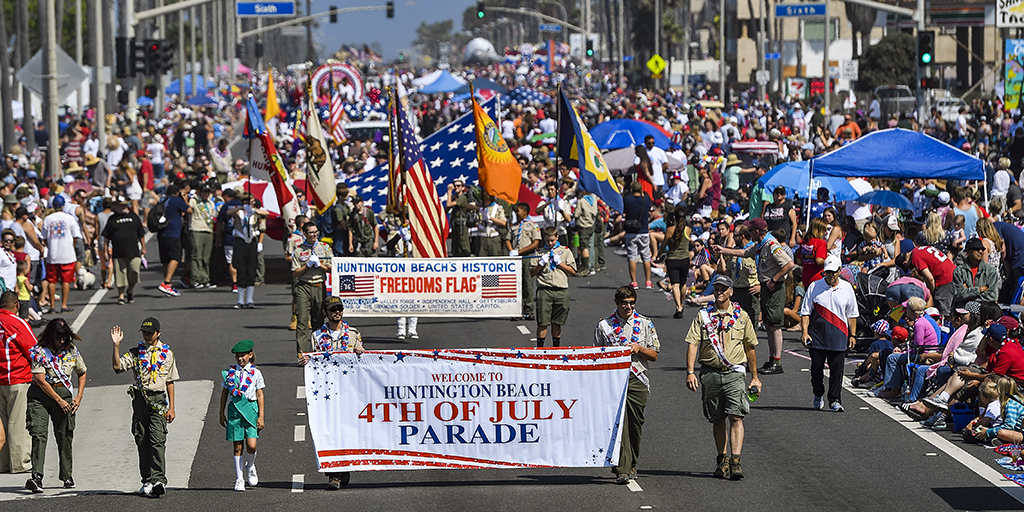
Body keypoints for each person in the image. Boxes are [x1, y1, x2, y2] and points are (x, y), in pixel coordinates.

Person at [685, 275, 761, 480]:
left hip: (734, 373)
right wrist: (690, 371)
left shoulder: (741, 316)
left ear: (731, 292)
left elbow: (750, 347)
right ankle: (722, 459)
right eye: (716, 288)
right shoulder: (703, 316)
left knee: (736, 416)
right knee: (717, 418)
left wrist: (755, 377)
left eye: (723, 289)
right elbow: (693, 343)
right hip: (710, 372)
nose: (719, 292)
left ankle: (736, 461)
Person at [593, 286, 660, 484]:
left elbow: (654, 355)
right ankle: (621, 468)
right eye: (624, 303)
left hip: (637, 379)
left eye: (632, 303)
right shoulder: (604, 326)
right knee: (618, 423)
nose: (628, 307)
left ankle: (632, 463)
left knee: (635, 423)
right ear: (617, 303)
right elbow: (596, 355)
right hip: (613, 379)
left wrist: (639, 348)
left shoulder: (645, 324)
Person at [299, 296, 365, 490]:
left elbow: (363, 362)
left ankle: (345, 467)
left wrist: (361, 351)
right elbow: (315, 360)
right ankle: (334, 474)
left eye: (339, 309)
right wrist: (307, 361)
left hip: (348, 391)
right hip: (326, 391)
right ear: (325, 313)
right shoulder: (317, 336)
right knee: (329, 431)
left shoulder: (353, 334)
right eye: (333, 309)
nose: (337, 312)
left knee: (346, 430)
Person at [714, 217, 794, 374]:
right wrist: (723, 250)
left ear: (757, 231)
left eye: (751, 231)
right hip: (766, 285)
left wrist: (774, 280)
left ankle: (777, 362)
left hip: (773, 286)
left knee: (774, 324)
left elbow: (788, 264)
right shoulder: (760, 245)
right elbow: (744, 253)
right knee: (769, 324)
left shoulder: (771, 244)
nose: (749, 233)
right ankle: (772, 359)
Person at [110, 317, 179, 497]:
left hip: (158, 399)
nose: (147, 336)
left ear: (158, 333)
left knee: (157, 439)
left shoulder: (167, 354)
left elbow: (170, 381)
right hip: (141, 399)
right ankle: (147, 480)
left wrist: (172, 407)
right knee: (142, 439)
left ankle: (159, 480)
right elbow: (117, 367)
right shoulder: (135, 353)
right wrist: (116, 346)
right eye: (144, 332)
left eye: (150, 333)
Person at [24, 318, 86, 492]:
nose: (61, 341)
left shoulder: (71, 350)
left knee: (64, 435)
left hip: (64, 393)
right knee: (38, 434)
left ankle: (67, 475)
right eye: (58, 338)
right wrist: (58, 401)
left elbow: (82, 371)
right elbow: (40, 380)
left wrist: (79, 396)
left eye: (64, 338)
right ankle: (36, 477)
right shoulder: (40, 351)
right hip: (41, 397)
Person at [800, 256, 858, 412]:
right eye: (828, 272)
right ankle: (818, 393)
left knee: (837, 372)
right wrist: (805, 332)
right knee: (816, 369)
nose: (830, 275)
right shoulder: (814, 286)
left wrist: (852, 335)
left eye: (833, 272)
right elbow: (805, 312)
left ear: (840, 271)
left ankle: (835, 400)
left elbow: (852, 314)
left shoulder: (847, 288)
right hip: (817, 336)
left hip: (839, 336)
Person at [219, 339, 265, 492]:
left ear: (250, 355)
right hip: (234, 411)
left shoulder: (256, 373)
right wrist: (221, 413)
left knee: (252, 445)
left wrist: (261, 416)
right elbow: (224, 393)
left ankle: (250, 465)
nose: (240, 358)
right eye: (237, 356)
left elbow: (259, 394)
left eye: (243, 355)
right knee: (237, 446)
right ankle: (239, 479)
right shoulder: (230, 373)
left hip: (251, 409)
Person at [0, 291, 36, 474]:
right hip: (16, 377)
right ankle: (20, 463)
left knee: (2, 422)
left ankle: (3, 463)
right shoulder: (16, 323)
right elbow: (33, 350)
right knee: (18, 421)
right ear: (16, 305)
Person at [292, 222, 333, 358]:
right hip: (304, 286)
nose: (314, 235)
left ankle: (318, 353)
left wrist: (320, 265)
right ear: (304, 234)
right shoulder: (299, 250)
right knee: (302, 321)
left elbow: (332, 268)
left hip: (319, 286)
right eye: (311, 232)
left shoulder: (324, 247)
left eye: (316, 232)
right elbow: (295, 272)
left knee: (318, 320)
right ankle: (302, 354)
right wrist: (308, 265)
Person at [531, 227, 576, 347]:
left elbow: (572, 271)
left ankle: (556, 348)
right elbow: (532, 273)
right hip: (544, 290)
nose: (550, 243)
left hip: (561, 290)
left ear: (557, 237)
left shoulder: (565, 251)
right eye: (547, 241)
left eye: (552, 240)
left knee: (557, 322)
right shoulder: (539, 252)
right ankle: (540, 349)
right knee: (543, 322)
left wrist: (560, 263)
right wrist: (540, 264)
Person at [41, 196, 83, 314]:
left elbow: (44, 238)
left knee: (52, 280)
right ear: (63, 205)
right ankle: (64, 305)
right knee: (66, 280)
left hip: (53, 254)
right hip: (67, 254)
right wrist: (70, 246)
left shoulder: (48, 219)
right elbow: (75, 236)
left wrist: (50, 246)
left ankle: (52, 306)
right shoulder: (69, 218)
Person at [102, 198, 146, 305]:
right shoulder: (112, 219)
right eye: (121, 205)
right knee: (120, 275)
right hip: (118, 252)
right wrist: (105, 251)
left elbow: (141, 233)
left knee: (134, 273)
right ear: (116, 206)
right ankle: (121, 295)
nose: (124, 207)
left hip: (133, 251)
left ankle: (130, 290)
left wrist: (143, 247)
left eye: (125, 205)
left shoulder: (133, 217)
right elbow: (106, 237)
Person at [896, 246, 956, 317]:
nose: (911, 268)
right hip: (954, 273)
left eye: (908, 268)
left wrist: (931, 294)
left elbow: (929, 279)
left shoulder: (915, 258)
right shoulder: (920, 249)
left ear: (905, 263)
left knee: (944, 314)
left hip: (944, 280)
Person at [508, 202, 541, 320]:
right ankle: (518, 310)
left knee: (527, 282)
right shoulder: (514, 225)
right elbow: (508, 239)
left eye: (518, 211)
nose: (516, 213)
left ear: (525, 212)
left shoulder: (532, 225)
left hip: (528, 257)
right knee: (516, 283)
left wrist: (520, 251)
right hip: (516, 258)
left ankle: (528, 309)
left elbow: (535, 243)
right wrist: (511, 251)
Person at [157, 184, 192, 297]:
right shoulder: (176, 200)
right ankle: (167, 282)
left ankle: (168, 286)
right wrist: (185, 199)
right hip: (172, 233)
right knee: (175, 258)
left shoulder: (163, 200)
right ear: (177, 193)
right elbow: (189, 210)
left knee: (166, 260)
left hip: (161, 232)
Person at [952, 237, 1000, 308]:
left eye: (982, 249)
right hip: (963, 309)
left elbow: (992, 296)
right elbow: (958, 295)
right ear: (968, 252)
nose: (980, 251)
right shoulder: (959, 271)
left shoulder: (990, 271)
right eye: (977, 249)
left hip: (984, 309)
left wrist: (968, 293)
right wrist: (979, 290)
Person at [622, 182, 653, 289]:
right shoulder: (646, 200)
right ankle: (648, 281)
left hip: (631, 231)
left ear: (631, 190)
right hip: (643, 231)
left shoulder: (627, 199)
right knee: (646, 256)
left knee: (632, 256)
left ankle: (634, 281)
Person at [188, 185, 218, 289]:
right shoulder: (194, 201)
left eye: (208, 192)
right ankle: (195, 279)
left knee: (206, 257)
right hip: (197, 229)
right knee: (196, 255)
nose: (206, 194)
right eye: (205, 191)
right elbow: (187, 209)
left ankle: (205, 279)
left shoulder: (211, 203)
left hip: (208, 230)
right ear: (200, 192)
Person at [446, 179, 476, 257]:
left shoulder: (463, 197)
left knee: (463, 244)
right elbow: (446, 209)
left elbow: (449, 204)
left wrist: (449, 191)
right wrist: (451, 197)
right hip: (455, 224)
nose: (456, 187)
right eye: (455, 186)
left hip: (462, 225)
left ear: (463, 188)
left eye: (458, 186)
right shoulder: (455, 198)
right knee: (455, 245)